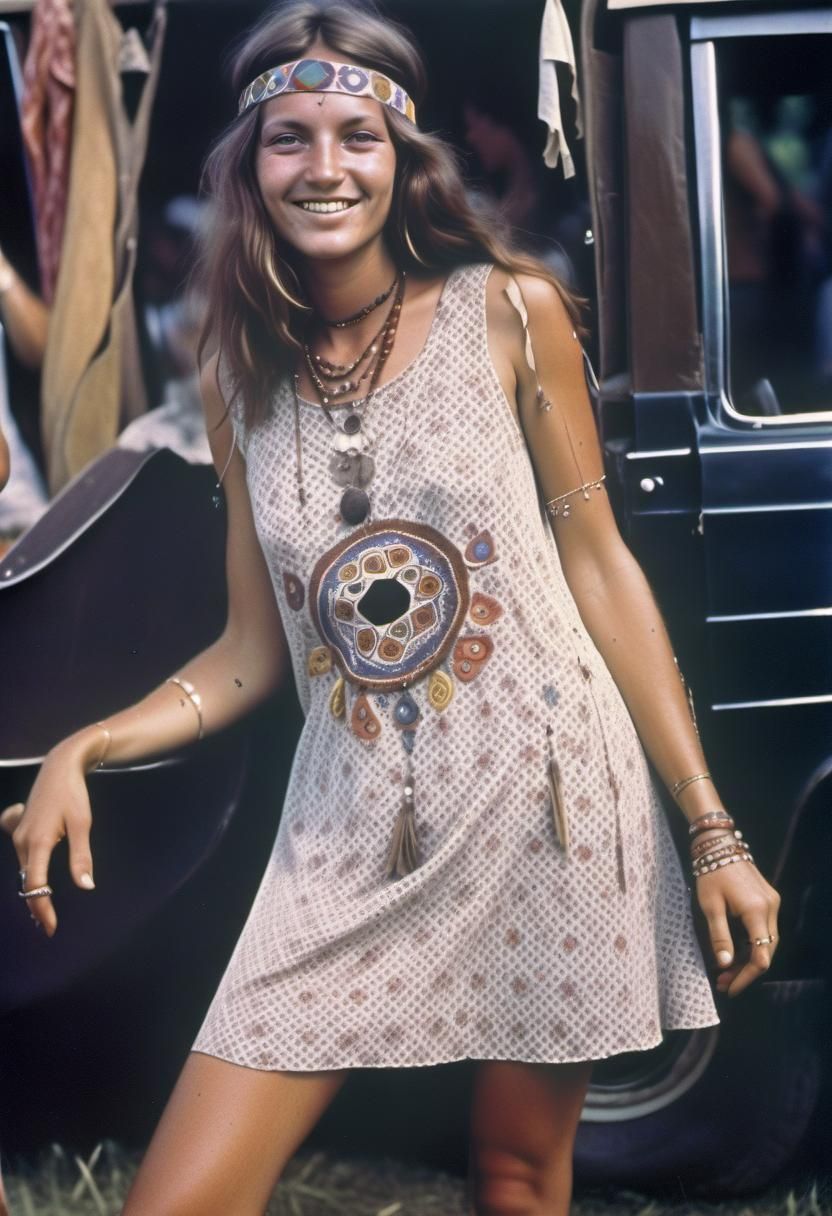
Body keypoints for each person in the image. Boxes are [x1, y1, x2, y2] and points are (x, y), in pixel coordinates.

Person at [2, 2, 781, 1213]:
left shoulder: (507, 310)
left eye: (357, 136)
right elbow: (253, 654)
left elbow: (598, 568)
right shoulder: (234, 375)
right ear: (248, 167)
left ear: (403, 155)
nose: (324, 168)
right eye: (290, 138)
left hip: (549, 800)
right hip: (346, 828)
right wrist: (85, 743)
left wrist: (711, 828)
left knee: (520, 1176)